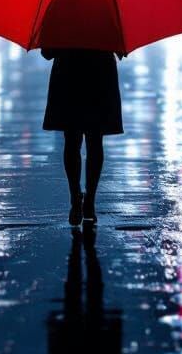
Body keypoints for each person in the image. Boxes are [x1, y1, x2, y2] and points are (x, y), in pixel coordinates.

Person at [41, 44, 124, 227]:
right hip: (100, 76)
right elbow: (121, 49)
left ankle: (75, 198)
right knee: (95, 141)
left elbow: (47, 52)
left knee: (72, 140)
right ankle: (90, 202)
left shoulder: (59, 15)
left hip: (69, 75)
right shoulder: (107, 16)